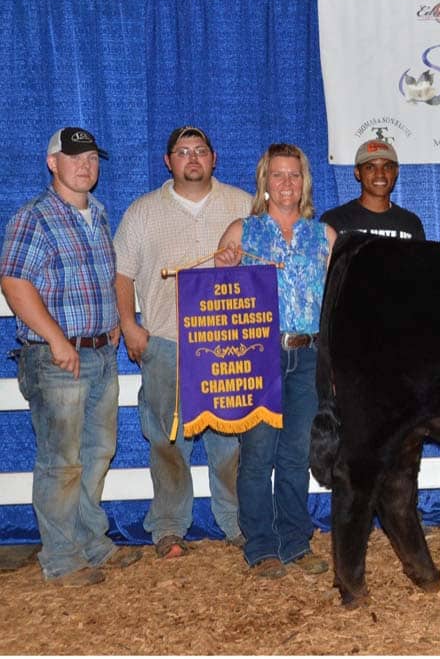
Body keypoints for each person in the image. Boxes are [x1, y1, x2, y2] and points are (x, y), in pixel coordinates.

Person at [0, 127, 142, 586]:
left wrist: (115, 323)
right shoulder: (33, 218)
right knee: (61, 461)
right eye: (74, 156)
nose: (85, 165)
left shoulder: (98, 214)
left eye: (92, 158)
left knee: (97, 453)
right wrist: (58, 340)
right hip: (57, 358)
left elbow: (102, 281)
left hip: (100, 351)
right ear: (52, 163)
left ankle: (92, 542)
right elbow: (15, 283)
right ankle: (61, 557)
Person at [113, 126, 252, 559]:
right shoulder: (142, 212)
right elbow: (122, 274)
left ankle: (239, 522)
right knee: (167, 440)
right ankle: (169, 527)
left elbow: (265, 267)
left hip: (228, 342)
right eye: (183, 152)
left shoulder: (243, 204)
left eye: (201, 151)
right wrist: (129, 325)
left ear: (214, 158)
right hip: (167, 342)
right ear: (168, 161)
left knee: (230, 439)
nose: (192, 158)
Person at [217, 143, 336, 578]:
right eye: (278, 175)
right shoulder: (241, 232)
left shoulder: (323, 236)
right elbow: (218, 304)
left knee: (296, 455)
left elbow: (336, 300)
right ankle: (261, 545)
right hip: (257, 356)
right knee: (258, 453)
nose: (286, 183)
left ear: (304, 182)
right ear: (264, 182)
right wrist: (223, 265)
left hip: (308, 354)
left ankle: (295, 540)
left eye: (295, 175)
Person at [320, 139, 425, 240]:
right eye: (370, 167)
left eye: (387, 167)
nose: (380, 174)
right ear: (357, 172)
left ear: (396, 171)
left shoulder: (411, 224)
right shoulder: (335, 221)